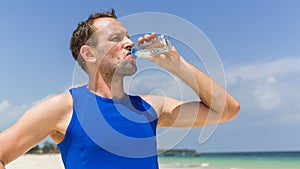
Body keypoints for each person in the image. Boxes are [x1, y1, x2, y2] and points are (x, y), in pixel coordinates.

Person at [0, 9, 240, 169]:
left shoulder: (150, 107)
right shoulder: (64, 107)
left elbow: (227, 110)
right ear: (89, 53)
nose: (130, 42)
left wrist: (178, 65)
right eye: (116, 38)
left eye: (127, 36)